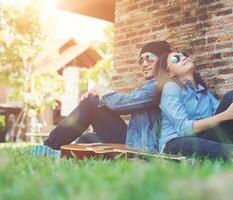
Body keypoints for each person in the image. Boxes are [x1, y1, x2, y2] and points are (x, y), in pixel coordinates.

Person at [29, 41, 171, 157]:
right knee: (89, 139)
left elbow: (119, 104)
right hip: (134, 139)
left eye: (150, 58)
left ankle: (48, 147)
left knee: (91, 104)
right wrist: (98, 95)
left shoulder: (159, 87)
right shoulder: (155, 86)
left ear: (163, 60)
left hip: (142, 148)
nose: (144, 63)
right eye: (141, 60)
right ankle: (61, 154)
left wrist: (99, 88)